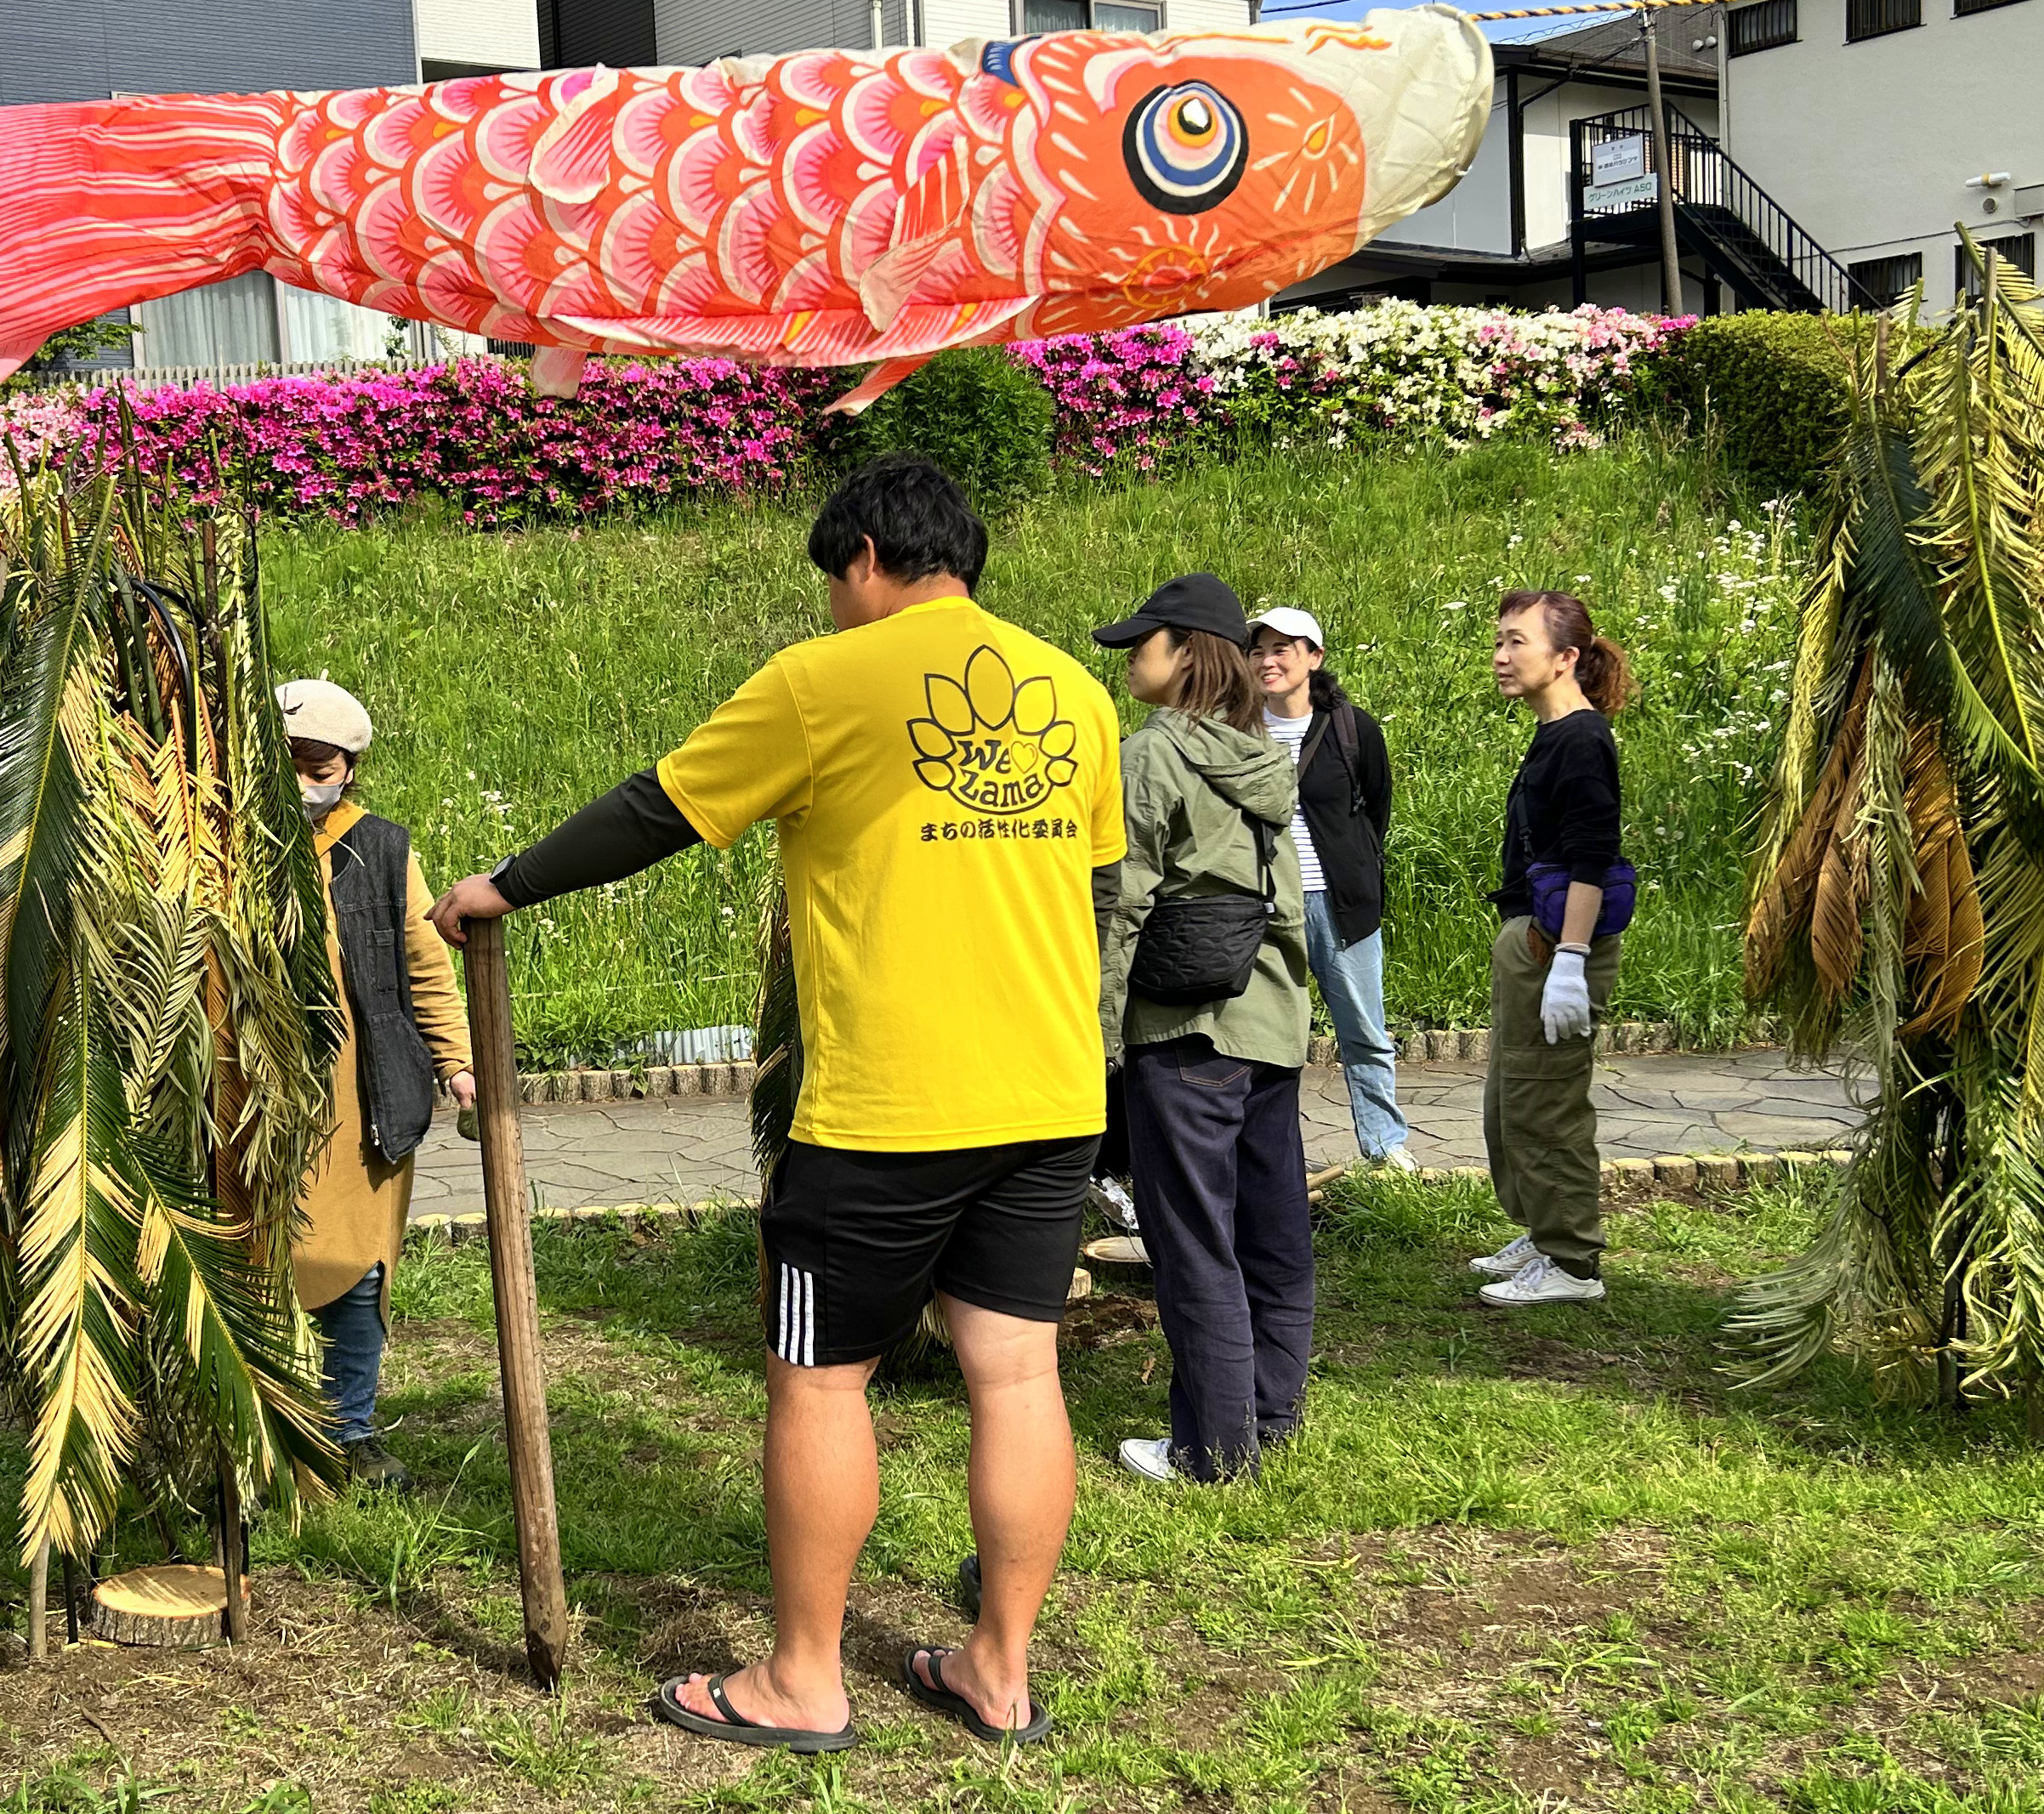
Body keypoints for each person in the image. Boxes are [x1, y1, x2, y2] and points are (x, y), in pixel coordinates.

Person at [429, 454, 1121, 1752]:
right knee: (1018, 1371)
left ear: (864, 557)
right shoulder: (1074, 693)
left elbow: (661, 808)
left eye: (833, 583)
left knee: (817, 1383)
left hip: (886, 1112)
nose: (831, 607)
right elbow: (1085, 885)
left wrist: (504, 885)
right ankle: (998, 1667)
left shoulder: (824, 681)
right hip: (1050, 1095)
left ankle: (805, 1680)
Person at [1094, 575, 1314, 1486]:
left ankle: (1213, 1452)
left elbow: (1120, 907)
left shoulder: (1152, 756)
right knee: (1271, 1235)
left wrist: (1096, 1035)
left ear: (1186, 652)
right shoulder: (1261, 757)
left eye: (1141, 643)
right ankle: (1270, 1417)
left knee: (1193, 1243)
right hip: (1271, 1023)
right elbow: (1288, 905)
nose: (1127, 661)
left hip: (1184, 1029)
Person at [279, 677, 476, 1494]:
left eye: (316, 768)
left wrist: (458, 1064)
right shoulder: (217, 850)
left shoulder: (381, 850)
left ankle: (349, 1431)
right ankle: (262, 1434)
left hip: (359, 1101)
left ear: (348, 769)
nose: (300, 783)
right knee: (256, 1266)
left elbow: (425, 966)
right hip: (248, 1100)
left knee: (358, 1272)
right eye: (284, 765)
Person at [1472, 590, 1632, 1308]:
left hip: (1556, 942)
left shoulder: (1581, 738)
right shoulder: (1553, 733)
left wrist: (1569, 957)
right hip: (1533, 937)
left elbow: (1592, 856)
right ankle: (1543, 1232)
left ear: (1565, 657)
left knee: (1546, 1102)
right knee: (1512, 1095)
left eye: (1516, 642)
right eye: (1498, 642)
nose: (1501, 657)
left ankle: (1571, 1263)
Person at [1248, 606, 1410, 1170]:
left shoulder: (1351, 728)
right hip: (1264, 906)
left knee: (1363, 1030)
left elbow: (1374, 808)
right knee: (1264, 1035)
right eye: (1258, 650)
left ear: (1314, 658)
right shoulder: (1238, 731)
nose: (1267, 661)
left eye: (1281, 649)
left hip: (1339, 905)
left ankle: (1384, 1147)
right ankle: (1266, 1158)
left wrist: (1355, 871)